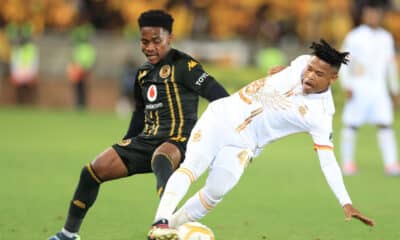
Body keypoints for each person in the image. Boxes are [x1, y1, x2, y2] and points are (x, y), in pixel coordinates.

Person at [148, 39, 375, 240]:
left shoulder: (322, 115)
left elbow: (327, 161)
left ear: (333, 78)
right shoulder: (302, 62)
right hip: (221, 117)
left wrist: (345, 201)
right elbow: (291, 69)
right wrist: (282, 70)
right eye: (309, 69)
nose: (309, 75)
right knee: (193, 167)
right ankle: (160, 222)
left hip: (245, 144)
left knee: (217, 190)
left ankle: (171, 229)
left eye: (318, 74)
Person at [48, 9, 228, 240]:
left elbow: (219, 96)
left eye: (156, 41)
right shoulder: (142, 73)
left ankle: (165, 224)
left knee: (161, 157)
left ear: (169, 38)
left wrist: (219, 133)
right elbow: (140, 112)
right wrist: (127, 143)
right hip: (146, 140)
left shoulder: (185, 65)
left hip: (180, 141)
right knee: (92, 170)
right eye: (144, 41)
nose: (149, 47)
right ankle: (67, 234)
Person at [339, 0, 400, 176]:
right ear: (364, 15)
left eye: (376, 13)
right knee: (351, 124)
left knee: (385, 124)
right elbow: (344, 62)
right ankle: (347, 163)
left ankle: (391, 164)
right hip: (359, 87)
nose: (373, 16)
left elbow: (389, 67)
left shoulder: (386, 37)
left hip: (379, 89)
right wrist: (347, 84)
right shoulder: (354, 36)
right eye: (370, 13)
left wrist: (394, 90)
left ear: (380, 15)